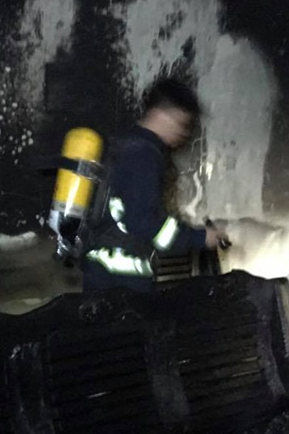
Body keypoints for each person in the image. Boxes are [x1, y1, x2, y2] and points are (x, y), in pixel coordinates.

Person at [81, 77, 226, 293]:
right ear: (160, 115)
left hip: (101, 271)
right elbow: (145, 223)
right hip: (122, 280)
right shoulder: (144, 155)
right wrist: (201, 237)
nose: (183, 133)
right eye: (180, 123)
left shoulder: (124, 145)